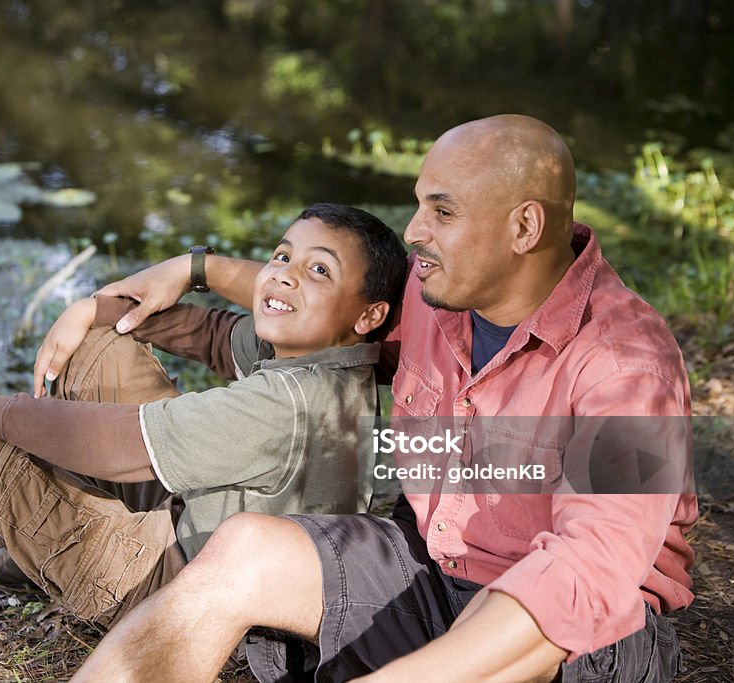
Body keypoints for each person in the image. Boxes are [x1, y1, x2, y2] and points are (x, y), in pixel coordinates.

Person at [64, 115, 698, 683]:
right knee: (244, 546)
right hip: (431, 570)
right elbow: (325, 305)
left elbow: (588, 573)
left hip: (576, 638)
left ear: (524, 226)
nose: (414, 232)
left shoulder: (631, 368)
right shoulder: (437, 299)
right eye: (418, 205)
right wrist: (193, 268)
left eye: (442, 212)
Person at [0, 203, 408, 658]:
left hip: (176, 591)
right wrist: (96, 309)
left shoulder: (287, 404)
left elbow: (120, 444)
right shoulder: (328, 359)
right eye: (281, 256)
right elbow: (218, 337)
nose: (283, 276)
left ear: (369, 314)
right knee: (103, 343)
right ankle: (41, 530)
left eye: (318, 271)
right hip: (202, 527)